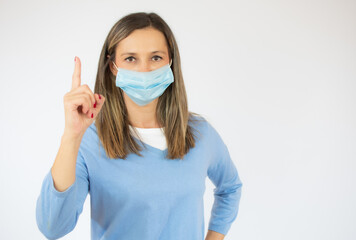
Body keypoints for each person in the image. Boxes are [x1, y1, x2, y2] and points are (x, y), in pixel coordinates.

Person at [36, 12, 243, 240]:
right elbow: (52, 227)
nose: (144, 70)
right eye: (130, 59)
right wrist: (71, 136)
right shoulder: (90, 140)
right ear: (113, 66)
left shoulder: (199, 133)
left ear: (170, 62)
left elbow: (230, 188)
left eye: (155, 58)